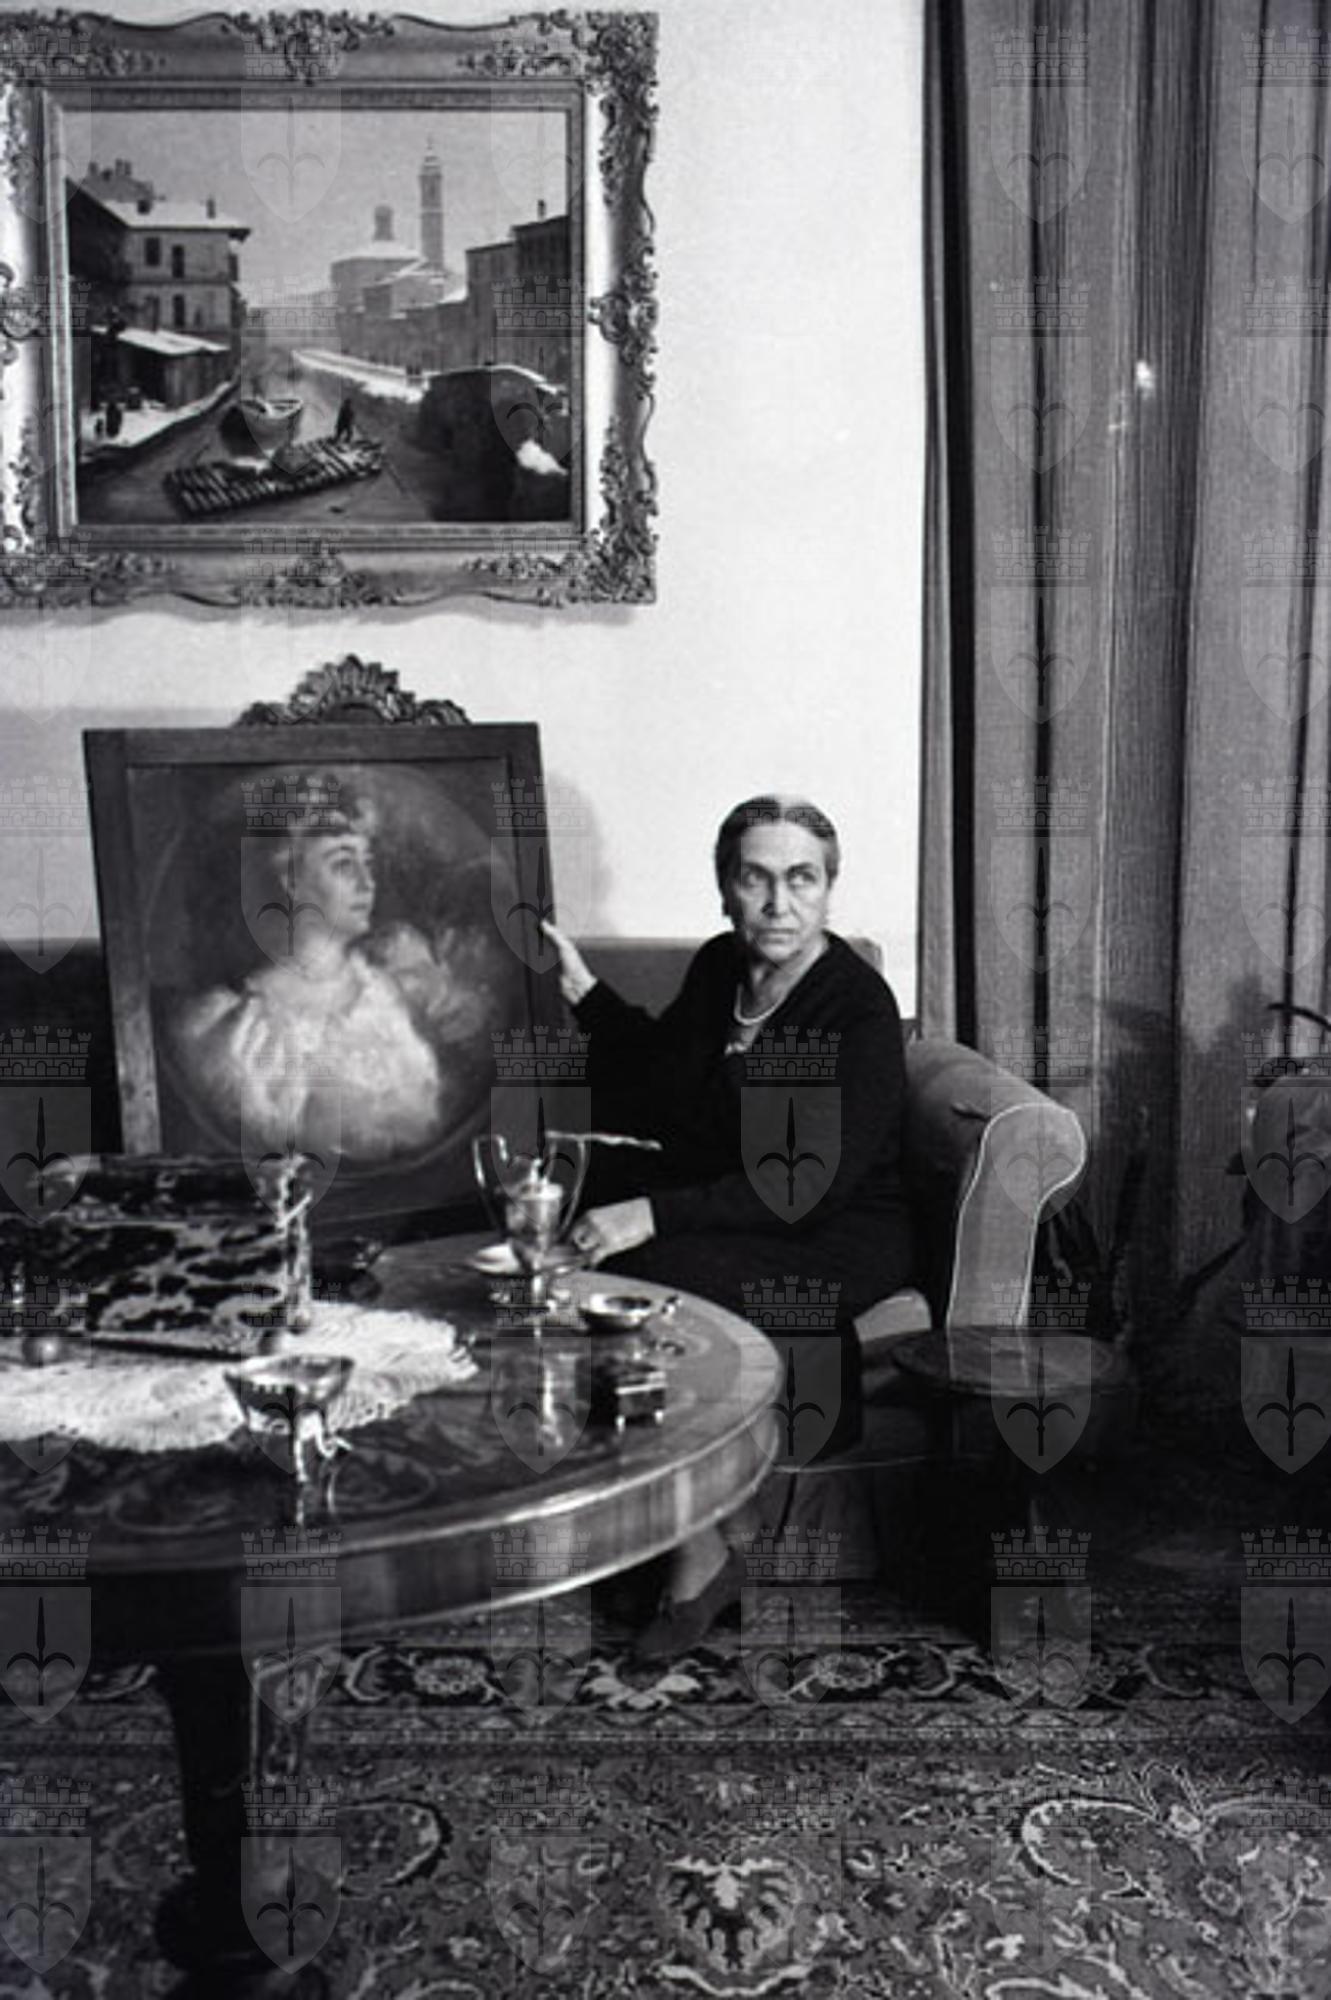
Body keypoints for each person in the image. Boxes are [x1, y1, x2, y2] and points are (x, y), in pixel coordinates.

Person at [542, 795, 913, 1661]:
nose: (778, 903)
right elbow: (662, 1084)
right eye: (756, 879)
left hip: (835, 1231)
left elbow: (809, 1184)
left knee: (640, 1285)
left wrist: (649, 1214)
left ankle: (697, 1556)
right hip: (735, 1203)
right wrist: (584, 994)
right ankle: (667, 1522)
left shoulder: (855, 1007)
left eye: (801, 879)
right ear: (724, 888)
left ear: (828, 890)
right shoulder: (720, 968)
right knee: (552, 1230)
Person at [172, 775, 488, 1164]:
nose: (367, 883)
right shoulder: (237, 1032)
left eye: (367, 863)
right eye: (342, 864)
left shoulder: (396, 996)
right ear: (291, 880)